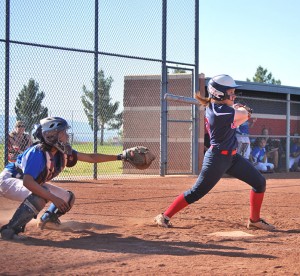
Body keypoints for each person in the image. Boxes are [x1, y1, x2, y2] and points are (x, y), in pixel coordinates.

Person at [154, 74, 275, 231]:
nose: (234, 95)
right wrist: (242, 109)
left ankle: (254, 220)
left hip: (232, 158)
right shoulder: (219, 113)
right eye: (230, 92)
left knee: (259, 182)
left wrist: (238, 108)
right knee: (196, 192)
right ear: (219, 94)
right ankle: (164, 216)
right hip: (216, 159)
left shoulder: (221, 109)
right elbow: (245, 115)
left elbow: (240, 115)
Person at [0, 117, 128, 240]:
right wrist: (53, 198)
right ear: (50, 135)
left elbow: (91, 158)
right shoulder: (37, 153)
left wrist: (120, 157)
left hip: (27, 182)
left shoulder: (61, 152)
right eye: (62, 133)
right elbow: (28, 182)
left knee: (67, 198)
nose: (66, 136)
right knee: (42, 194)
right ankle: (10, 230)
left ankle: (48, 220)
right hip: (9, 181)